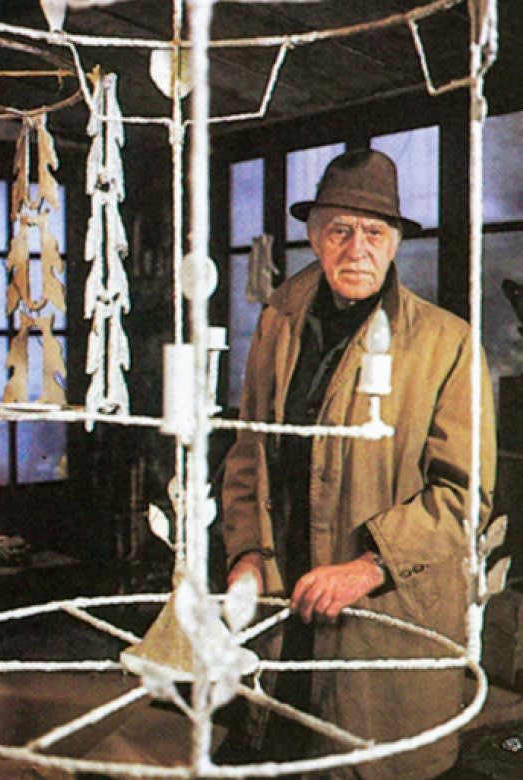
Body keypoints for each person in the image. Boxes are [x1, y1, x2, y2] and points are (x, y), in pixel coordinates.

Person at [220, 149, 496, 779]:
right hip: (282, 614)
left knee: (368, 761)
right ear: (314, 236)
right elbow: (247, 455)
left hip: (384, 623)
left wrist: (368, 566)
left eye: (374, 232)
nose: (357, 249)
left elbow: (463, 497)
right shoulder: (279, 322)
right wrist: (247, 555)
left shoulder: (445, 343)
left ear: (395, 242)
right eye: (339, 230)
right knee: (278, 753)